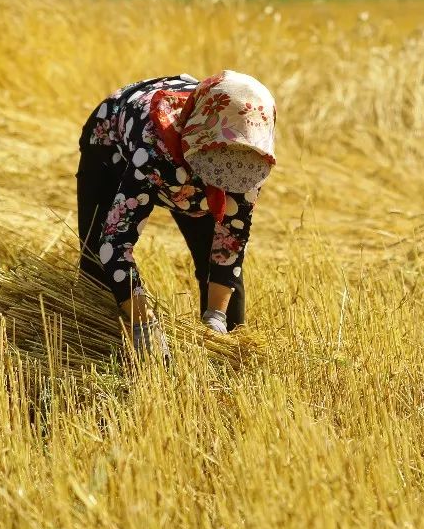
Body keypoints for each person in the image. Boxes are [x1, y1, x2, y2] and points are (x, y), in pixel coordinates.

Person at [76, 70, 276, 355]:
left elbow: (230, 247)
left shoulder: (246, 163)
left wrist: (216, 318)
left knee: (217, 273)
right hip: (112, 143)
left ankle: (223, 361)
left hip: (186, 163)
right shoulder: (155, 154)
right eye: (215, 171)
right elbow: (114, 245)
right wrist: (143, 322)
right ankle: (102, 352)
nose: (222, 180)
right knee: (97, 265)